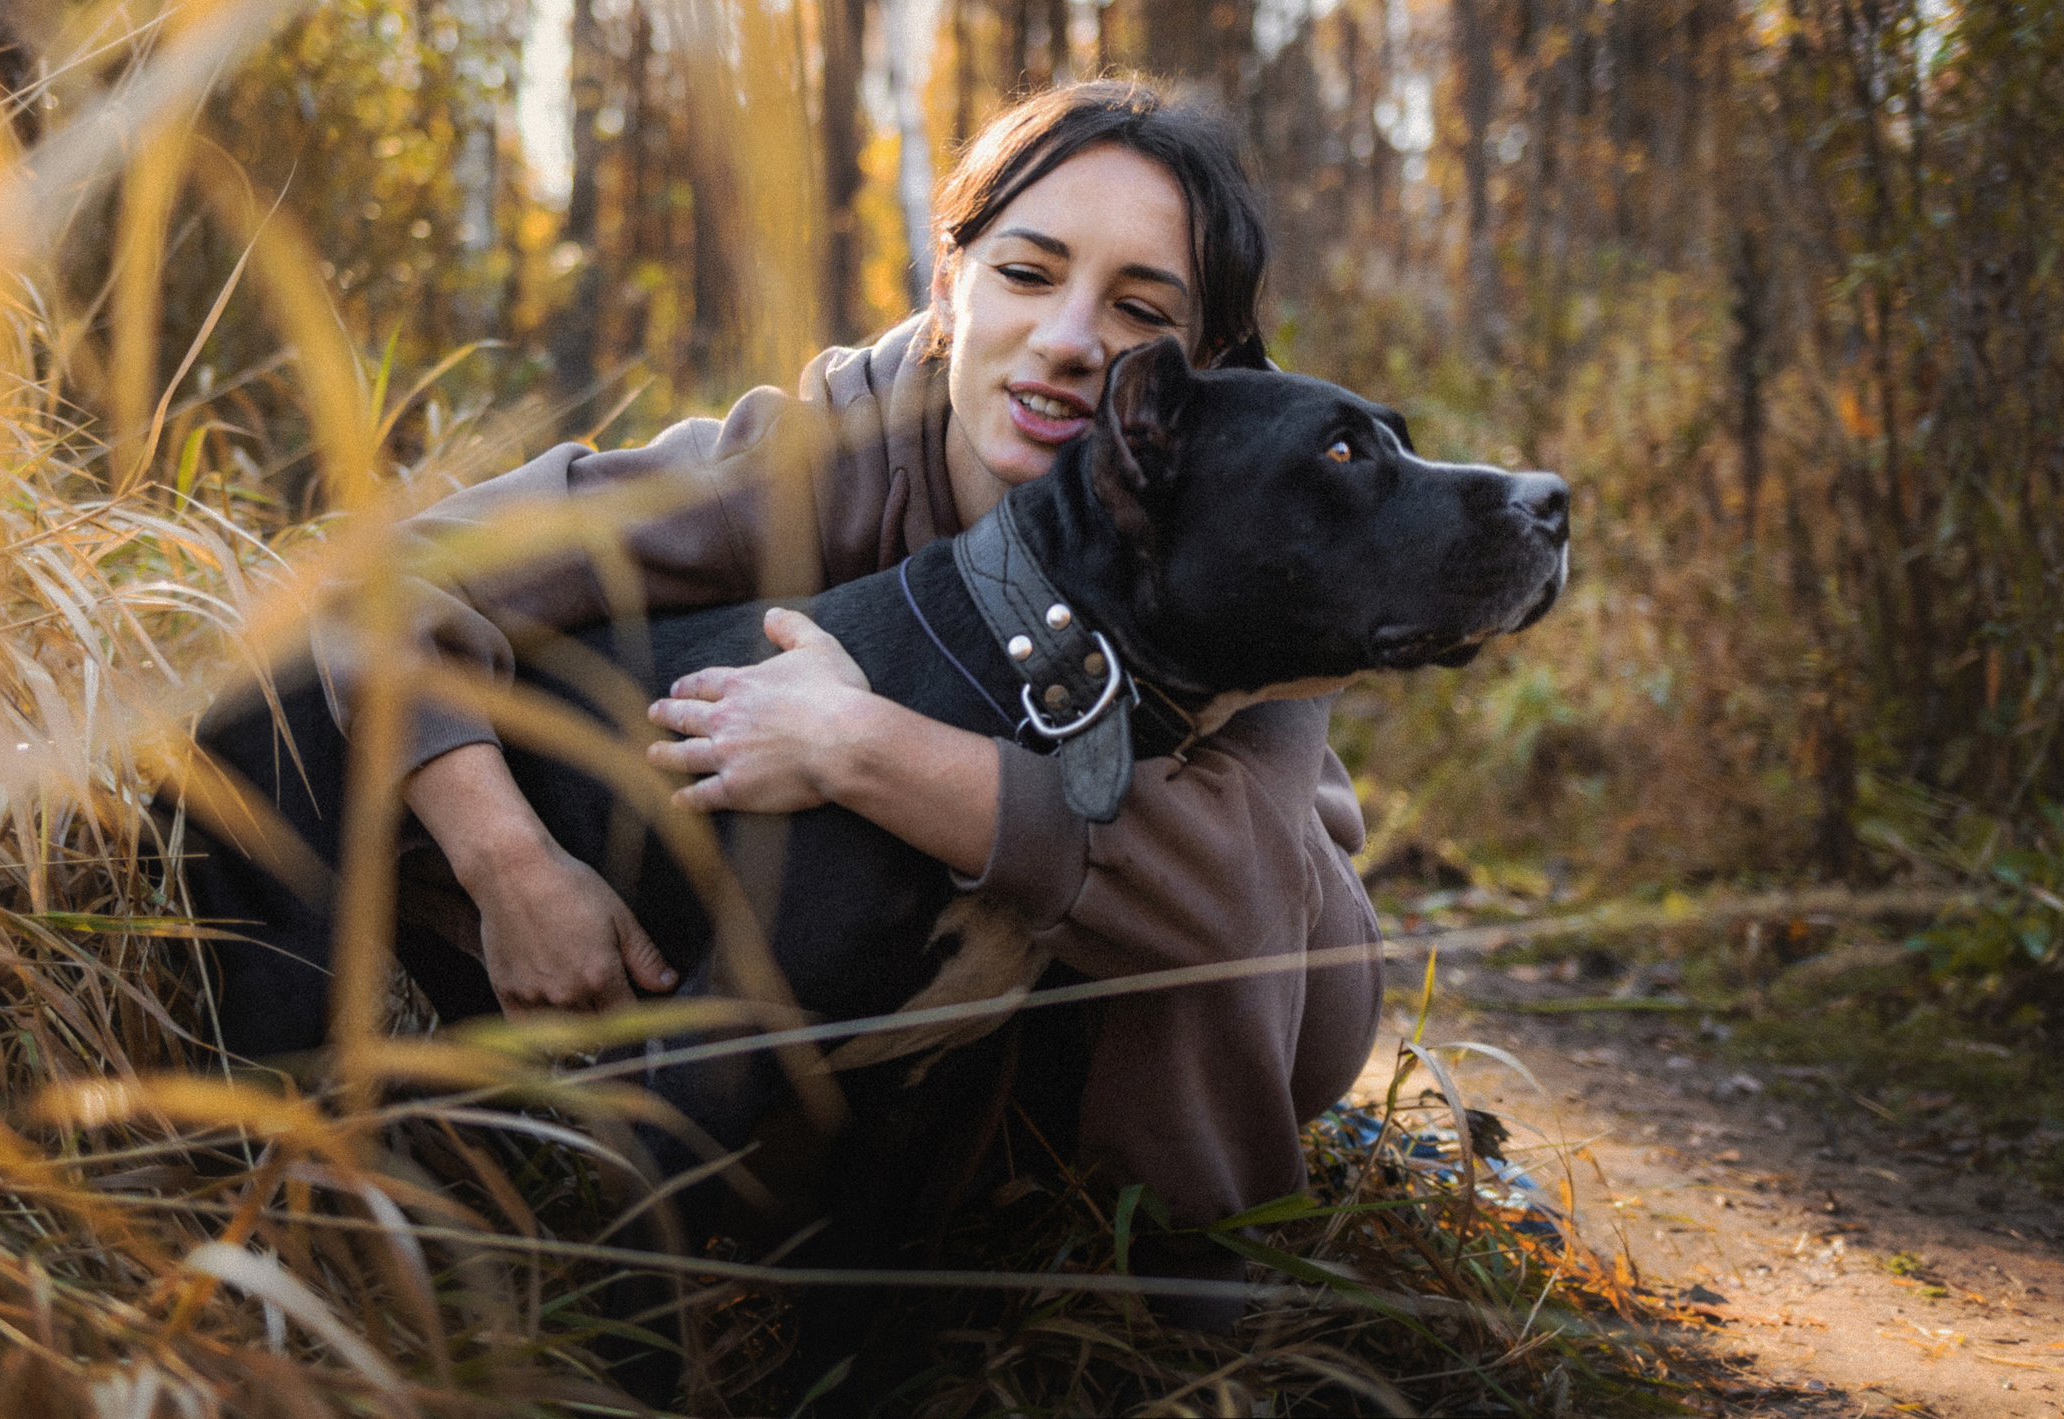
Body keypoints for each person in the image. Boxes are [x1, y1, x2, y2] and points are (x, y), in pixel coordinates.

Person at [207, 78, 1383, 1319]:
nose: (1070, 340)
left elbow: (1228, 901)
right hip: (848, 982)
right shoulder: (841, 449)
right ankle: (326, 1182)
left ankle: (1149, 1303)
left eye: (1140, 310)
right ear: (950, 288)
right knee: (285, 707)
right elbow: (394, 575)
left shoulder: (1258, 528)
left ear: (1197, 371)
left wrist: (859, 745)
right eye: (1028, 274)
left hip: (1202, 1003)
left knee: (1165, 948)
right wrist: (509, 864)